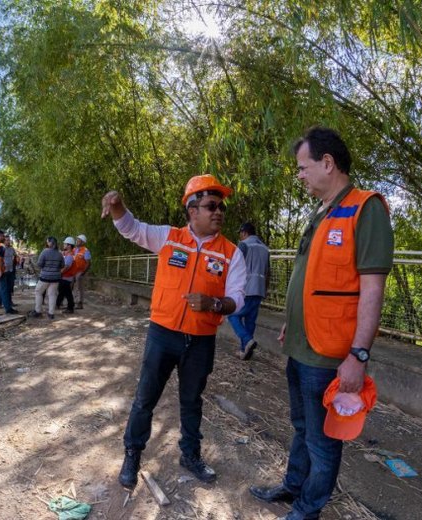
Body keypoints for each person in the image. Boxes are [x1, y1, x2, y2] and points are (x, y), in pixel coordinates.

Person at [249, 127, 393, 520]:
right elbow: (314, 281)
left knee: (323, 440)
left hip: (330, 353)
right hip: (301, 345)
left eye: (303, 167)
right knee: (301, 426)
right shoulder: (322, 211)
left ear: (327, 163)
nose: (299, 175)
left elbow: (372, 290)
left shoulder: (367, 209)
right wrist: (291, 325)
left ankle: (307, 510)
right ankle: (293, 486)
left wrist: (358, 355)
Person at [102, 174, 245, 490]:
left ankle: (190, 456)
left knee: (192, 402)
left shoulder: (232, 253)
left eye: (221, 206)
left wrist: (214, 303)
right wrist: (117, 205)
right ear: (193, 210)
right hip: (162, 335)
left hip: (201, 341)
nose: (219, 211)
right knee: (145, 399)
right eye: (211, 205)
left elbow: (238, 299)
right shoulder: (169, 237)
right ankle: (132, 454)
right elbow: (131, 228)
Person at [227, 222, 271, 360]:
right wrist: (265, 288)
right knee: (250, 320)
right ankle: (244, 350)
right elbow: (268, 272)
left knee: (233, 315)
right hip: (259, 288)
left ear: (244, 232)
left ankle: (247, 340)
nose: (240, 236)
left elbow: (236, 266)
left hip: (245, 288)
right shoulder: (265, 248)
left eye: (240, 233)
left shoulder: (244, 245)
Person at [29, 236, 64, 319]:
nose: (47, 243)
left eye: (47, 242)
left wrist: (46, 266)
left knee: (38, 292)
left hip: (45, 277)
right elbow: (62, 265)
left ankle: (38, 311)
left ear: (50, 243)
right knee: (52, 295)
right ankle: (51, 313)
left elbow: (39, 264)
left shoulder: (45, 252)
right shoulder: (59, 253)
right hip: (56, 278)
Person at [56, 237, 78, 314]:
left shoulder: (69, 256)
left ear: (69, 245)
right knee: (62, 292)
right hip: (67, 277)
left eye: (65, 244)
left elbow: (67, 266)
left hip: (66, 277)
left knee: (67, 293)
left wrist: (60, 272)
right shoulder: (69, 254)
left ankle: (70, 307)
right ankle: (58, 304)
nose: (64, 245)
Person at [0, 237, 18, 313]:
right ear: (4, 241)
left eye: (9, 240)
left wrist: (15, 262)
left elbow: (15, 256)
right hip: (4, 271)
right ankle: (0, 303)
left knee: (9, 288)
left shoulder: (12, 249)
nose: (8, 241)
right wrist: (0, 270)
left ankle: (9, 302)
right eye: (6, 240)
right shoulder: (1, 249)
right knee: (2, 288)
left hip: (11, 270)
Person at [73, 234, 92, 309]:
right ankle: (74, 302)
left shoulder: (85, 251)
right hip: (73, 271)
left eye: (78, 240)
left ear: (83, 242)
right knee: (74, 287)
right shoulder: (74, 250)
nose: (77, 241)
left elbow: (88, 263)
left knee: (79, 287)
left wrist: (83, 273)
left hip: (80, 271)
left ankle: (80, 303)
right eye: (77, 240)